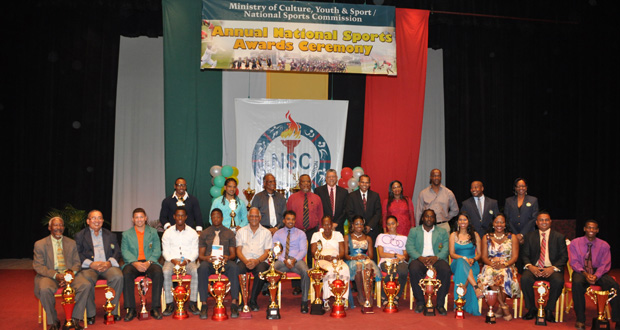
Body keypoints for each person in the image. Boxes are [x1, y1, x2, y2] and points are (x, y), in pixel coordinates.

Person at [34, 217, 91, 330]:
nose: (58, 228)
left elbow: (77, 263)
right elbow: (38, 266)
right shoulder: (40, 244)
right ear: (50, 227)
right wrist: (56, 275)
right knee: (45, 289)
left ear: (64, 228)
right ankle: (54, 321)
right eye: (55, 225)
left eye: (61, 225)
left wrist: (68, 276)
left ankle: (73, 318)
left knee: (85, 285)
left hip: (69, 275)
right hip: (50, 275)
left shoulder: (71, 243)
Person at [569, 220, 620, 330]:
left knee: (614, 286)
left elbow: (605, 264)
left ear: (597, 230)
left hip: (598, 272)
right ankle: (580, 319)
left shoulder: (604, 245)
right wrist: (586, 274)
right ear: (584, 229)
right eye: (588, 227)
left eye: (593, 228)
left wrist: (596, 275)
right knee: (577, 284)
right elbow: (574, 262)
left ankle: (618, 320)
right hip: (581, 271)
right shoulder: (575, 243)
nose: (591, 230)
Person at [75, 210, 123, 324]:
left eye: (99, 218)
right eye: (93, 218)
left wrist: (109, 263)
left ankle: (112, 310)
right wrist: (91, 263)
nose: (97, 221)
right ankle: (91, 313)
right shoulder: (80, 235)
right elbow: (77, 253)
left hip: (107, 266)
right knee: (86, 280)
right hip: (90, 267)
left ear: (102, 220)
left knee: (118, 277)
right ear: (88, 221)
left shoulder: (110, 235)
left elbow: (117, 251)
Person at [521, 212, 567, 322]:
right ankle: (531, 309)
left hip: (552, 268)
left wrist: (553, 268)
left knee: (558, 281)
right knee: (525, 279)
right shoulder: (529, 236)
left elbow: (564, 256)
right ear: (537, 223)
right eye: (541, 220)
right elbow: (524, 255)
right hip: (534, 267)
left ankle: (549, 310)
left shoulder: (559, 237)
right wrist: (530, 267)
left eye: (546, 220)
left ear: (550, 222)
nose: (544, 222)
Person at [121, 208, 164, 321]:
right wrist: (135, 263)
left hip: (150, 261)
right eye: (136, 217)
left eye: (141, 217)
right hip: (133, 263)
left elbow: (157, 250)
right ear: (133, 219)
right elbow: (125, 251)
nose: (139, 219)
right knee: (126, 274)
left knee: (158, 273)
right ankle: (131, 309)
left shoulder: (153, 232)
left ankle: (155, 308)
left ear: (145, 218)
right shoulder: (126, 234)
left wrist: (149, 262)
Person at [406, 209, 451, 315]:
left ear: (435, 219)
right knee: (414, 269)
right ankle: (420, 302)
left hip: (436, 259)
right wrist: (419, 257)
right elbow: (409, 247)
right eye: (427, 216)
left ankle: (440, 304)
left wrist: (436, 257)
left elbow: (446, 248)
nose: (429, 218)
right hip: (419, 259)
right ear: (422, 218)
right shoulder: (414, 231)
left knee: (446, 270)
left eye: (431, 217)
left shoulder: (442, 232)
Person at [197, 208, 240, 319]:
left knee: (234, 267)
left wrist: (227, 257)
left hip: (224, 262)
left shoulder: (229, 233)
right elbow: (200, 256)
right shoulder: (204, 233)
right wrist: (207, 258)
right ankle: (204, 304)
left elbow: (233, 255)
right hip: (209, 262)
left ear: (222, 218)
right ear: (211, 219)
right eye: (213, 217)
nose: (216, 219)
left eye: (218, 216)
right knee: (202, 268)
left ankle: (234, 302)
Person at [478, 214, 520, 320]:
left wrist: (504, 264)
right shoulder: (486, 237)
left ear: (505, 224)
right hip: (490, 264)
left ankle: (501, 308)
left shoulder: (512, 237)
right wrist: (492, 264)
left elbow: (515, 257)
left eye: (502, 222)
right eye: (497, 222)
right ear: (493, 224)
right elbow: (484, 257)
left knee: (504, 273)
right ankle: (504, 306)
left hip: (507, 265)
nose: (499, 224)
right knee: (489, 273)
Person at [161, 206, 200, 316]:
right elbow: (165, 252)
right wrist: (173, 260)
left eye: (182, 215)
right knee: (165, 272)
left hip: (188, 261)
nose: (180, 217)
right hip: (171, 260)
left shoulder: (192, 233)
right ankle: (169, 304)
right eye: (178, 215)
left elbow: (195, 252)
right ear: (174, 217)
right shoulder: (167, 233)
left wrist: (187, 261)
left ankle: (193, 303)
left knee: (196, 271)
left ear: (186, 217)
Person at [272, 210, 310, 313]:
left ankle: (304, 302)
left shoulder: (301, 233)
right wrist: (284, 260)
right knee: (271, 271)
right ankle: (273, 301)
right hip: (282, 261)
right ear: (284, 220)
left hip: (297, 261)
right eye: (288, 219)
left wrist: (294, 260)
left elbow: (303, 250)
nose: (290, 221)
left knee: (306, 272)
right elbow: (275, 251)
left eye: (293, 219)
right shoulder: (278, 233)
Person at [236, 207, 272, 311]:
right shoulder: (241, 232)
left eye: (256, 216)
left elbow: (267, 252)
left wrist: (257, 261)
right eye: (251, 216)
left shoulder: (266, 232)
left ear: (260, 218)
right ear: (248, 217)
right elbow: (238, 250)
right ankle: (243, 300)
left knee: (262, 271)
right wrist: (246, 261)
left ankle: (253, 300)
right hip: (244, 260)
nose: (254, 218)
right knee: (237, 270)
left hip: (260, 260)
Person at [310, 216, 350, 309]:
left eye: (329, 224)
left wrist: (336, 258)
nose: (327, 227)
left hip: (337, 259)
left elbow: (342, 252)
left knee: (345, 269)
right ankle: (326, 299)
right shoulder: (316, 235)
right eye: (325, 224)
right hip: (322, 260)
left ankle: (343, 298)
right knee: (329, 269)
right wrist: (324, 257)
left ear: (332, 225)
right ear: (322, 225)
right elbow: (313, 253)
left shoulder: (338, 234)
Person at [448, 212, 482, 316]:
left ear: (468, 222)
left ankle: (460, 299)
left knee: (465, 270)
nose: (462, 222)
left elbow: (479, 254)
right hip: (457, 263)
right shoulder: (453, 235)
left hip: (472, 263)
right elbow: (452, 254)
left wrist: (473, 259)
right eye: (460, 220)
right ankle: (476, 287)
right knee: (462, 263)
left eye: (465, 220)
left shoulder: (475, 235)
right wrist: (463, 258)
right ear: (457, 222)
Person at [344, 215, 381, 307]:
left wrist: (366, 257)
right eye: (356, 224)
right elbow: (345, 255)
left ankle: (368, 294)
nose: (359, 226)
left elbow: (371, 255)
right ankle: (360, 294)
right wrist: (353, 258)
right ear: (352, 225)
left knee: (368, 264)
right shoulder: (347, 237)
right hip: (352, 260)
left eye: (361, 224)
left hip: (365, 258)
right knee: (358, 266)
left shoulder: (368, 238)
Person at [287, 174, 323, 267]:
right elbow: (288, 216)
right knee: (297, 255)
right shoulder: (292, 198)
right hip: (296, 232)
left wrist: (320, 232)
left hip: (312, 232)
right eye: (303, 181)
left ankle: (311, 277)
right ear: (299, 183)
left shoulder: (317, 198)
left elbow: (320, 216)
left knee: (312, 255)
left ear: (311, 183)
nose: (306, 183)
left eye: (308, 181)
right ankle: (298, 279)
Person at [375, 215, 409, 305]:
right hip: (386, 261)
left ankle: (397, 296)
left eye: (393, 224)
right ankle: (384, 295)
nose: (391, 226)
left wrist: (400, 258)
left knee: (403, 271)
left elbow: (405, 253)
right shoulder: (381, 236)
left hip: (400, 261)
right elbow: (381, 254)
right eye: (388, 224)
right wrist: (395, 255)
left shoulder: (403, 238)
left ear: (397, 224)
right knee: (392, 271)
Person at [415, 169, 459, 233]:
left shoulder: (448, 193)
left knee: (444, 243)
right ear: (430, 177)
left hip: (444, 226)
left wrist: (446, 217)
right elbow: (418, 213)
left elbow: (455, 210)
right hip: (428, 227)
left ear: (441, 177)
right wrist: (418, 228)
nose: (436, 178)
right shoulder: (423, 193)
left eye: (438, 176)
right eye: (434, 176)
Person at [345, 174, 382, 246]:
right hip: (355, 231)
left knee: (371, 254)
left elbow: (378, 213)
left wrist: (369, 226)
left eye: (367, 182)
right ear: (358, 183)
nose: (364, 184)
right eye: (362, 182)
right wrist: (359, 226)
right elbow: (349, 212)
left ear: (370, 184)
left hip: (372, 230)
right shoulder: (351, 196)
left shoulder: (375, 196)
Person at [315, 169, 349, 236]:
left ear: (337, 178)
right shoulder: (318, 191)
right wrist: (326, 223)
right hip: (323, 227)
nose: (331, 178)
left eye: (333, 176)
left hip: (338, 227)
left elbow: (346, 209)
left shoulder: (344, 192)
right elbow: (317, 209)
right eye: (329, 177)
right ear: (325, 178)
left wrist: (337, 223)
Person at [504, 178, 539, 243]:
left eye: (523, 186)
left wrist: (522, 234)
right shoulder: (509, 201)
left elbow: (534, 218)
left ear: (526, 187)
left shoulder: (533, 200)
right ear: (515, 188)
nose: (521, 188)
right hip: (513, 234)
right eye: (518, 186)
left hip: (529, 233)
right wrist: (515, 234)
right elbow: (507, 218)